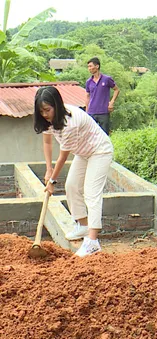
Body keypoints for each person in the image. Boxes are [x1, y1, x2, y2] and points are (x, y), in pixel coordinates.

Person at [33, 86, 113, 257]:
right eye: (41, 111)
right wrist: (48, 169)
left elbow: (62, 157)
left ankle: (92, 242)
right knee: (71, 186)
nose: (45, 114)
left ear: (57, 105)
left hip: (99, 151)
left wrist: (52, 181)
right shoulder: (47, 121)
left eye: (48, 110)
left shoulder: (70, 122)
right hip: (83, 152)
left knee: (91, 193)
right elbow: (47, 143)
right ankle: (83, 225)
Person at [85, 57, 120, 135]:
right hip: (92, 112)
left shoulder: (106, 79)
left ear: (97, 66)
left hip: (104, 112)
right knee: (91, 135)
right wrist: (87, 112)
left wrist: (111, 102)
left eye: (90, 66)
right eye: (88, 67)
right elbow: (87, 96)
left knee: (104, 135)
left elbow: (116, 90)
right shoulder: (88, 82)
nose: (89, 68)